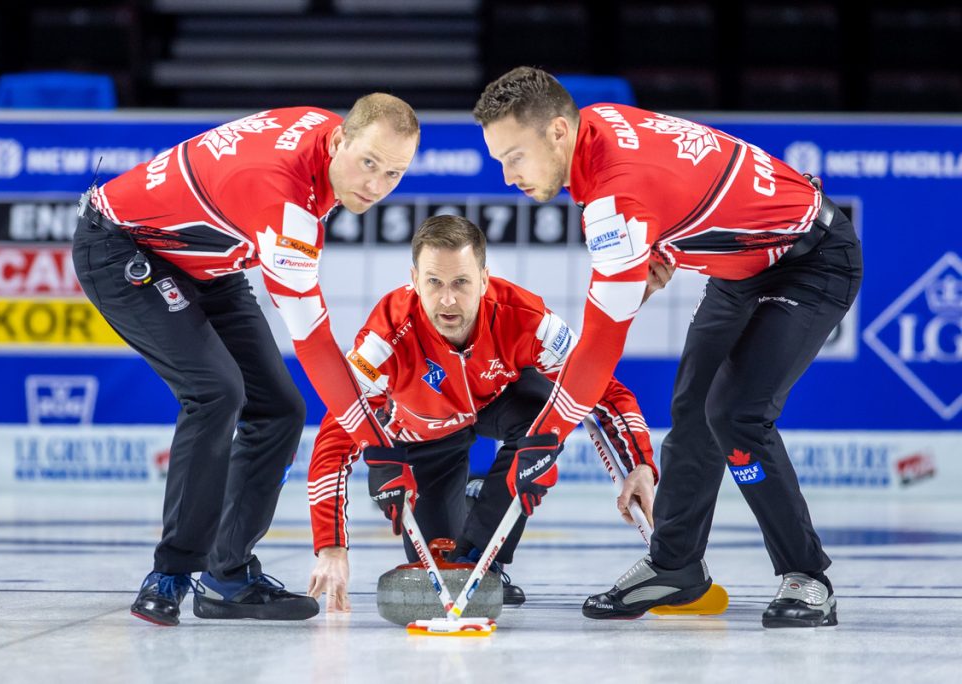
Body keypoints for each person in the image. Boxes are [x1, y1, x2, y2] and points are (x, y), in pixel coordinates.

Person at [472, 67, 862, 628]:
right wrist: (665, 251)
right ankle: (675, 567)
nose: (508, 178)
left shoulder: (615, 199)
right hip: (744, 267)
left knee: (735, 415)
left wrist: (547, 437)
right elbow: (693, 177)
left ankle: (807, 576)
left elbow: (600, 347)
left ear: (558, 131)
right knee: (693, 409)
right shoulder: (599, 122)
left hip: (814, 262)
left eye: (514, 157)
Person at [72, 94, 420, 626]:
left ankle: (226, 577)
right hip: (124, 246)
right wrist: (376, 445)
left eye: (394, 173)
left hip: (205, 254)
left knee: (279, 407)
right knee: (216, 391)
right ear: (340, 140)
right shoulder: (284, 206)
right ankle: (171, 572)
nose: (375, 186)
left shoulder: (331, 136)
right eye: (368, 164)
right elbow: (316, 344)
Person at [304, 215, 656, 612]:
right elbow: (335, 437)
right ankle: (470, 516)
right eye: (434, 282)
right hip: (426, 433)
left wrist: (640, 463)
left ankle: (485, 551)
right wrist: (331, 547)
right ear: (414, 279)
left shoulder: (525, 318)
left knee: (542, 417)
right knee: (439, 573)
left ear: (485, 280)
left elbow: (601, 387)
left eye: (462, 283)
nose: (448, 300)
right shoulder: (383, 341)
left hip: (499, 402)